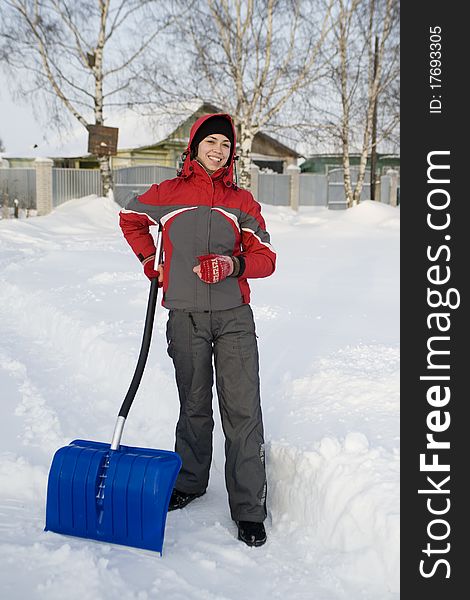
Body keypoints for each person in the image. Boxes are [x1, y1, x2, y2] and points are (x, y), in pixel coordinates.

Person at [119, 113, 276, 547]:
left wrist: (234, 264)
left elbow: (266, 257)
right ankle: (190, 482)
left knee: (243, 410)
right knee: (193, 404)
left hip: (233, 318)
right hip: (184, 316)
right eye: (211, 142)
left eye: (226, 146)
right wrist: (151, 261)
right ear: (194, 146)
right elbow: (129, 219)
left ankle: (248, 508)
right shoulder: (167, 195)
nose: (218, 150)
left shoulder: (241, 201)